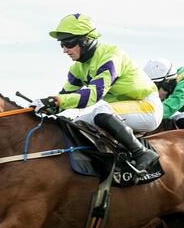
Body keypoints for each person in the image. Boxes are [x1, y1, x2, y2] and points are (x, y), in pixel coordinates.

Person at [31, 13, 162, 175]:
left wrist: (56, 101)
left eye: (68, 43)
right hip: (121, 111)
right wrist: (42, 108)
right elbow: (65, 96)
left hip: (147, 107)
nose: (65, 50)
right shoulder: (77, 68)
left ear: (85, 40)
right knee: (76, 124)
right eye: (61, 44)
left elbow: (92, 95)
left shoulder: (111, 56)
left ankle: (142, 153)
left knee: (101, 111)